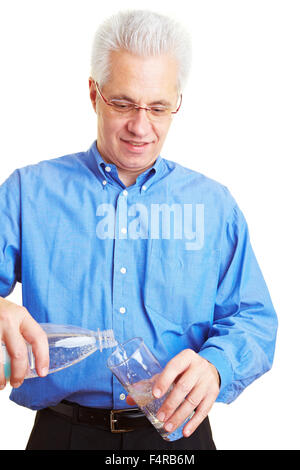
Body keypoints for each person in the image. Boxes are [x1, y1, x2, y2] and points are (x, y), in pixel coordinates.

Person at [0, 10, 277, 450]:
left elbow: (255, 319)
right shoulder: (26, 194)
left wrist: (218, 366)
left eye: (158, 107)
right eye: (124, 103)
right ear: (94, 93)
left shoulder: (213, 205)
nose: (140, 126)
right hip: (63, 435)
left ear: (177, 103)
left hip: (179, 439)